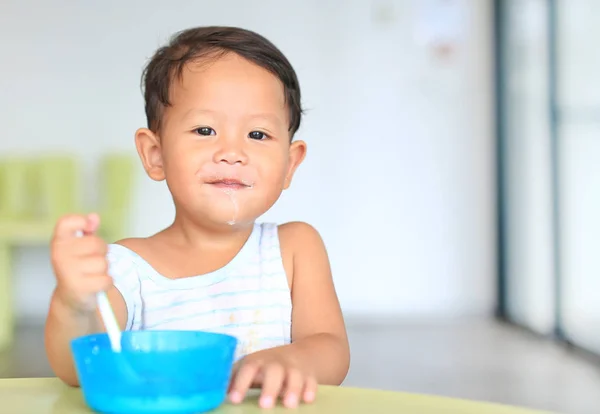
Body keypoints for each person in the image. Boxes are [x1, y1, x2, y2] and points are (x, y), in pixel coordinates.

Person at [44, 26, 350, 409]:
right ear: (155, 154)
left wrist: (293, 360)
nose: (232, 152)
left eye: (257, 134)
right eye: (205, 130)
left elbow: (332, 349)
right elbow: (76, 369)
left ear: (290, 163)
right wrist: (74, 303)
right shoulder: (124, 268)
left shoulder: (294, 248)